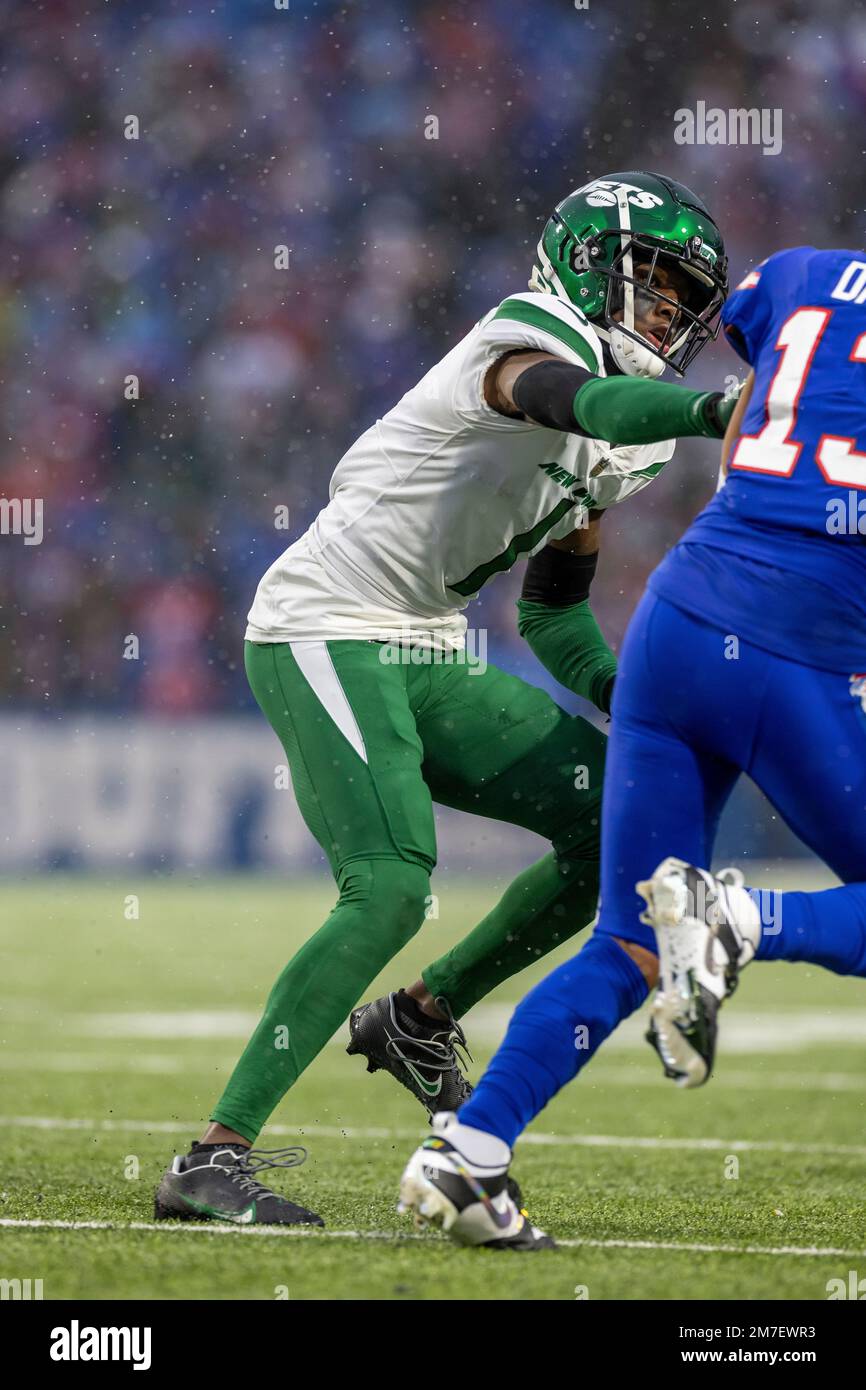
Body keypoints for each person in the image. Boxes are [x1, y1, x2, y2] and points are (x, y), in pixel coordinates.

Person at [154, 172, 736, 1227]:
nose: (666, 317)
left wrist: (639, 702)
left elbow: (553, 615)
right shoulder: (527, 332)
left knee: (615, 818)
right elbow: (575, 398)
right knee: (387, 885)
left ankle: (421, 1016)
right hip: (324, 616)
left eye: (679, 302)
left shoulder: (636, 436)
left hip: (420, 637)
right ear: (586, 265)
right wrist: (714, 409)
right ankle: (211, 1155)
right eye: (651, 286)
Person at [398, 245, 866, 1249]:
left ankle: (467, 1154)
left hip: (677, 619)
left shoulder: (802, 271)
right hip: (792, 649)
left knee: (628, 934)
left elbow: (755, 362)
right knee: (706, 916)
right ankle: (744, 919)